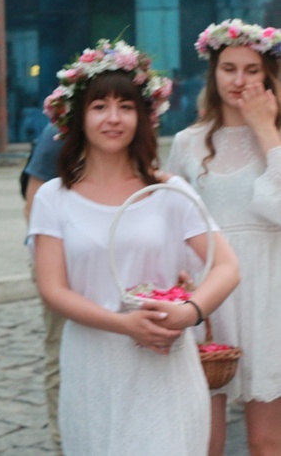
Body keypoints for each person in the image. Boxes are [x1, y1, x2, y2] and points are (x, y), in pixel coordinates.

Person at [28, 39, 240, 454]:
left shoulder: (169, 192)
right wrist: (123, 324)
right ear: (78, 116)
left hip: (164, 361)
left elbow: (227, 266)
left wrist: (189, 312)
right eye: (99, 106)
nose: (113, 118)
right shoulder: (54, 197)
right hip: (93, 363)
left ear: (144, 116)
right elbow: (53, 289)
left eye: (125, 107)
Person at [167, 18, 281, 456]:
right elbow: (171, 220)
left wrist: (265, 129)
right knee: (203, 440)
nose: (240, 80)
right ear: (213, 75)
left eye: (252, 70)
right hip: (209, 295)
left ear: (269, 76)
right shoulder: (188, 142)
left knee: (265, 441)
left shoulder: (277, 137)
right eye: (229, 68)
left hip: (268, 297)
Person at [21, 122, 64, 453]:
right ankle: (64, 440)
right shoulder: (55, 134)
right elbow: (32, 204)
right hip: (59, 263)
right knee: (60, 353)